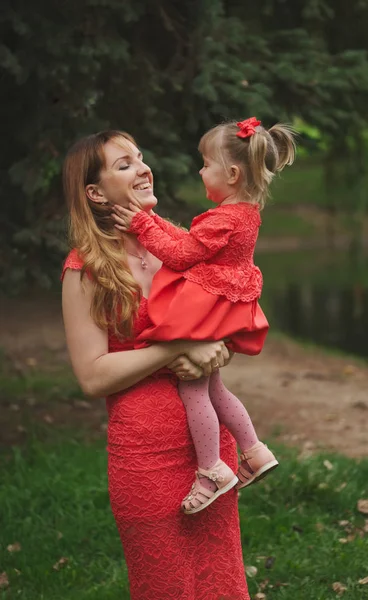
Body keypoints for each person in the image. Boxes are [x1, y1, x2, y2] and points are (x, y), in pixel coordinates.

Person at [61, 130, 251, 599]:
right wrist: (175, 348)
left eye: (141, 158)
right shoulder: (85, 269)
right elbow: (91, 376)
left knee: (220, 582)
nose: (144, 168)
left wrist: (218, 346)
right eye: (124, 164)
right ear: (96, 193)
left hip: (211, 457)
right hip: (145, 456)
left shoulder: (178, 247)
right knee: (165, 586)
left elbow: (224, 318)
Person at [111, 117, 296, 514]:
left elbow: (180, 255)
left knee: (192, 386)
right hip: (226, 303)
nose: (200, 171)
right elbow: (190, 242)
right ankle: (255, 450)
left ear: (230, 173)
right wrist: (152, 222)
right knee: (215, 388)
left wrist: (142, 223)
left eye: (206, 164)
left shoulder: (222, 218)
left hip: (208, 306)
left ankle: (211, 469)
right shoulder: (243, 212)